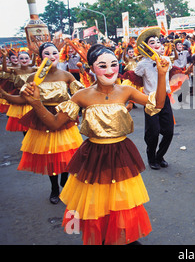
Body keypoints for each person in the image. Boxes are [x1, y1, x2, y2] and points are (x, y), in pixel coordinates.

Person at [20, 44, 169, 245]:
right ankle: (104, 237)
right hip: (93, 156)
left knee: (121, 200)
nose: (109, 70)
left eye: (114, 65)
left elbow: (157, 105)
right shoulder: (82, 95)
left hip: (121, 152)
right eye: (102, 65)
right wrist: (37, 103)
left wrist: (161, 74)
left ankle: (122, 238)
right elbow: (55, 123)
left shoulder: (126, 91)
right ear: (91, 68)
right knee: (96, 202)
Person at [0, 42, 84, 204]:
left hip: (63, 118)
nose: (52, 57)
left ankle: (64, 183)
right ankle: (54, 188)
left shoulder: (66, 75)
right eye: (47, 54)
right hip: (42, 119)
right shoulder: (34, 77)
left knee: (66, 155)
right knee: (50, 156)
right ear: (40, 58)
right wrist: (4, 94)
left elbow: (81, 94)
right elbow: (22, 99)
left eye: (54, 53)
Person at [134, 27, 174, 170]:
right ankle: (151, 158)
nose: (157, 44)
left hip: (165, 98)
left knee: (169, 131)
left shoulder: (167, 60)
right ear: (146, 47)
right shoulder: (142, 64)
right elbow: (136, 80)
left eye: (158, 41)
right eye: (152, 42)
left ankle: (160, 156)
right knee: (153, 133)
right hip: (150, 100)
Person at [1, 49, 35, 133]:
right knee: (22, 119)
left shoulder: (33, 69)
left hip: (32, 95)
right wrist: (5, 56)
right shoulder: (15, 69)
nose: (24, 60)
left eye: (26, 58)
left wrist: (35, 54)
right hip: (20, 95)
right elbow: (5, 69)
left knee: (33, 119)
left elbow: (44, 68)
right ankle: (26, 134)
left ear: (29, 59)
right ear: (18, 60)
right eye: (21, 58)